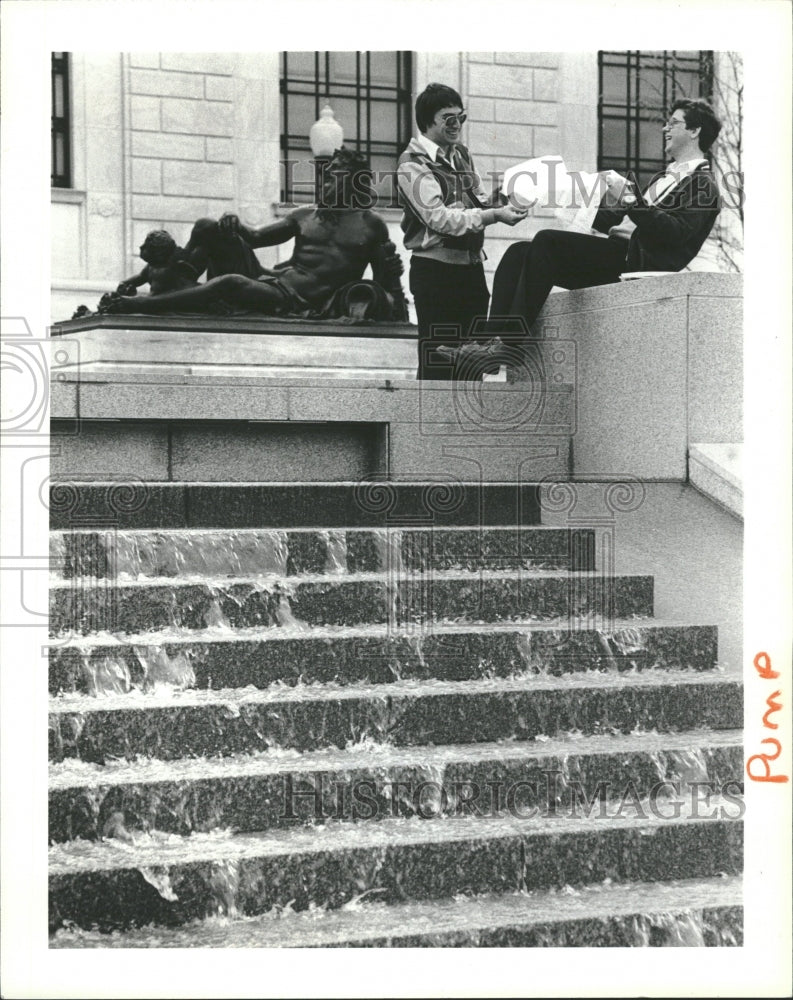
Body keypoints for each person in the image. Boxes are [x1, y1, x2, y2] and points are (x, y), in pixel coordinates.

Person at [440, 98, 723, 371]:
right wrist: (553, 193)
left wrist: (630, 199)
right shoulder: (665, 177)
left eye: (673, 123)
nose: (665, 128)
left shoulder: (703, 185)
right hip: (620, 254)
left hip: (637, 263)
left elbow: (674, 234)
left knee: (548, 242)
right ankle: (488, 344)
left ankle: (510, 344)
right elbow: (618, 220)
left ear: (695, 131)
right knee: (518, 252)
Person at [99, 148, 406, 320]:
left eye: (333, 179)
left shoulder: (370, 224)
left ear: (354, 182)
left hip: (297, 301)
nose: (323, 185)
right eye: (323, 179)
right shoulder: (304, 216)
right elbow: (256, 238)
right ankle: (173, 287)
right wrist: (234, 223)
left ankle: (141, 305)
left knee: (230, 283)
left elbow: (386, 280)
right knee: (209, 225)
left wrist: (393, 304)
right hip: (272, 281)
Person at [397, 83, 527, 380]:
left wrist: (504, 199)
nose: (457, 125)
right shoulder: (411, 165)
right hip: (436, 274)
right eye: (448, 118)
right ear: (427, 120)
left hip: (471, 272)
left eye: (461, 117)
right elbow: (440, 220)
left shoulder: (461, 155)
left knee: (472, 368)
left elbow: (479, 201)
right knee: (439, 366)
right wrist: (494, 214)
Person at [115, 230, 202, 297]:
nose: (141, 247)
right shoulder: (152, 266)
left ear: (159, 254)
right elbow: (141, 277)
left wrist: (131, 300)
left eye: (147, 247)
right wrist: (125, 283)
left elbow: (153, 298)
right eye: (144, 243)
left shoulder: (163, 273)